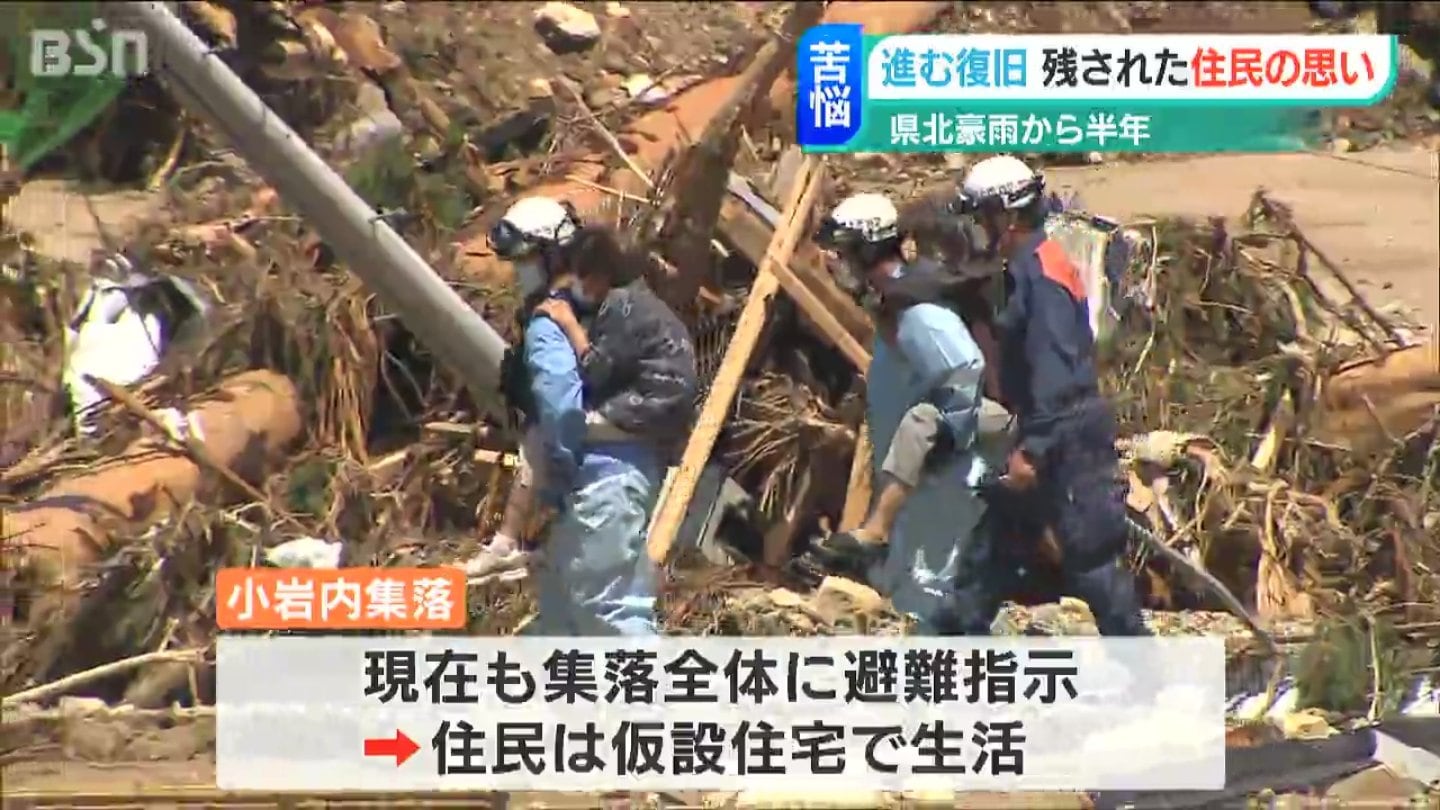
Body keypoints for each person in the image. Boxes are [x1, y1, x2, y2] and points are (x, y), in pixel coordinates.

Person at [934, 155, 1149, 637]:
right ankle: (950, 644)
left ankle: (1145, 665)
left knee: (1091, 562)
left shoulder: (1043, 276)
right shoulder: (1030, 266)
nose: (978, 230)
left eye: (983, 218)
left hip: (1066, 437)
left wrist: (1033, 450)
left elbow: (1057, 374)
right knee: (993, 550)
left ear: (1007, 217)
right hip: (1048, 428)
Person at [474, 195, 694, 635]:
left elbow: (561, 412)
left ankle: (505, 542)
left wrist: (556, 483)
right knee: (565, 617)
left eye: (525, 260)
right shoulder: (598, 306)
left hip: (607, 479)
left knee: (608, 615)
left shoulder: (589, 313)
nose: (519, 272)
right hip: (616, 473)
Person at [808, 191, 994, 632]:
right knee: (911, 600)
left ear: (865, 251)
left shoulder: (918, 312)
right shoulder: (895, 305)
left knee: (930, 602)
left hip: (941, 487)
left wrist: (947, 439)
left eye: (843, 254)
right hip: (918, 489)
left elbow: (965, 368)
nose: (836, 265)